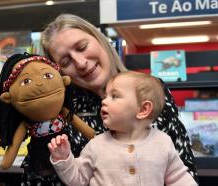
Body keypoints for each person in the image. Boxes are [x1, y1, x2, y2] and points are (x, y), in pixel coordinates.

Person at [21, 13, 197, 185]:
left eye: (82, 47)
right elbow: (38, 178)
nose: (81, 63)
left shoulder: (150, 90)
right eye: (66, 62)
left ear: (101, 40)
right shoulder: (59, 109)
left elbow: (183, 169)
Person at [48, 71, 198, 186]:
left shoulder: (163, 143)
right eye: (105, 96)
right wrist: (63, 158)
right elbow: (78, 179)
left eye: (114, 96)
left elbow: (180, 179)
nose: (104, 101)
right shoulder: (96, 145)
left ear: (143, 109)